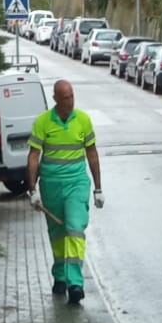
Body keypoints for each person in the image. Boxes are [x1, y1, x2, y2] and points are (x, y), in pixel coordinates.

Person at [27, 79, 104, 305]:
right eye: (65, 98)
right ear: (55, 100)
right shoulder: (43, 122)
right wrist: (32, 190)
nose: (70, 102)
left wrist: (98, 187)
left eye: (72, 97)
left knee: (74, 228)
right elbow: (33, 156)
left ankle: (75, 283)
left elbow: (92, 153)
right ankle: (60, 276)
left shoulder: (83, 120)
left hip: (77, 183)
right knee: (57, 232)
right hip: (51, 186)